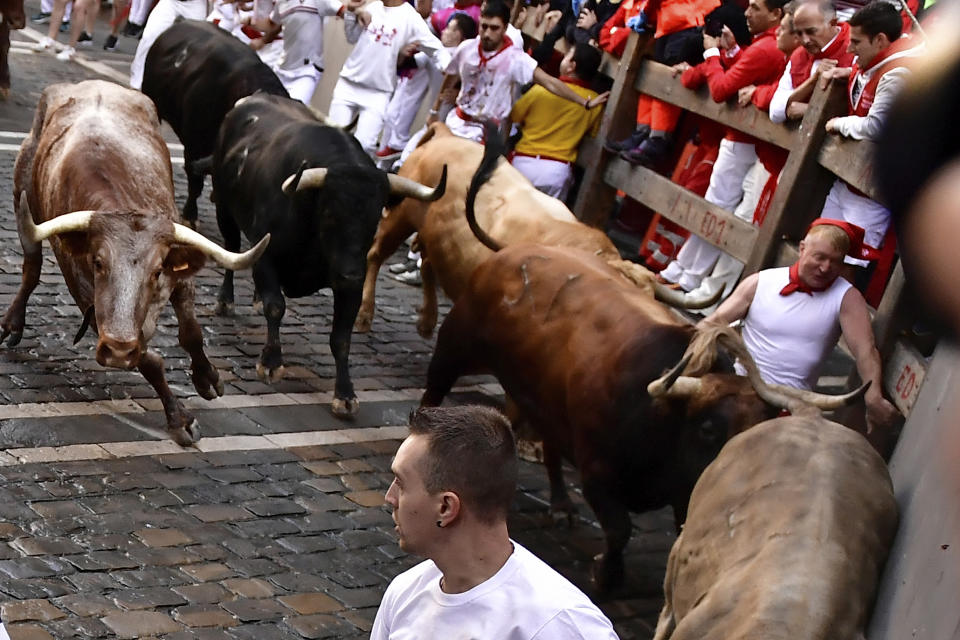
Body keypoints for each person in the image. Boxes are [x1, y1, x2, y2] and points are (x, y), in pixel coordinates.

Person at [371, 405, 620, 640]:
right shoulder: (402, 594)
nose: (389, 497)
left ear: (446, 507)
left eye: (401, 483)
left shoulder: (561, 625)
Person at [701, 219, 900, 433]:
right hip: (738, 388)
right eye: (820, 257)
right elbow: (711, 324)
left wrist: (873, 396)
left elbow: (865, 351)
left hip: (791, 405)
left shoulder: (847, 297)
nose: (825, 268)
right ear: (802, 248)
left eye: (835, 262)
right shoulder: (761, 282)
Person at [657, 0, 788, 294]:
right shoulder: (763, 45)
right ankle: (686, 270)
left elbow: (719, 90)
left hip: (751, 142)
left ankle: (693, 278)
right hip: (750, 140)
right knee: (719, 206)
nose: (747, 13)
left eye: (755, 7)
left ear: (776, 14)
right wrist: (728, 53)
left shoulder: (767, 47)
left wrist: (714, 54)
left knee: (723, 209)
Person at [817, 0, 924, 270]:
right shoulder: (873, 61)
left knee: (844, 270)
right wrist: (847, 72)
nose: (849, 49)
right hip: (846, 179)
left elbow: (877, 127)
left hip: (870, 194)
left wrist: (840, 123)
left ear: (879, 40)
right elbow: (861, 77)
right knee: (817, 251)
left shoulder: (898, 72)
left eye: (856, 42)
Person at [429, 0, 608, 142]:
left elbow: (549, 82)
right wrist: (435, 111)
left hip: (484, 135)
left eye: (494, 28)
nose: (487, 34)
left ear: (505, 28)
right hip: (456, 122)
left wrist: (583, 102)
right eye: (484, 26)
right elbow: (452, 74)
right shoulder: (467, 48)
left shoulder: (515, 59)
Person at [329, 0, 442, 154]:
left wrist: (451, 70)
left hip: (378, 93)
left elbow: (436, 49)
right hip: (348, 85)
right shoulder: (372, 8)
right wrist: (351, 12)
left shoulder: (411, 18)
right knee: (334, 140)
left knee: (365, 146)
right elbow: (351, 37)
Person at [377, 12, 477, 161]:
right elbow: (406, 64)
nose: (444, 31)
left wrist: (458, 93)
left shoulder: (470, 60)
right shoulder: (437, 53)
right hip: (434, 121)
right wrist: (403, 53)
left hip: (458, 129)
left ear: (460, 35)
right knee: (406, 156)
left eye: (449, 28)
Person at [509, 43, 602, 200]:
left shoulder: (540, 90)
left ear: (571, 66)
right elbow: (592, 134)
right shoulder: (595, 103)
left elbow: (514, 116)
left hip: (523, 163)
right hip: (557, 172)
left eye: (566, 56)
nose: (562, 59)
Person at [766, 0, 853, 124]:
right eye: (799, 33)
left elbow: (864, 110)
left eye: (811, 31)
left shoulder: (855, 47)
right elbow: (775, 112)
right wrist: (813, 81)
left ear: (832, 23)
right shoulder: (799, 55)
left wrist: (810, 110)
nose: (805, 40)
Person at [248, 0, 348, 103]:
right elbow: (272, 24)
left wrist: (357, 12)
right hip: (282, 69)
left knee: (293, 110)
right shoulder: (282, 2)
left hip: (307, 71)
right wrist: (251, 22)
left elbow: (344, 12)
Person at [129, 0, 209, 89]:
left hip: (196, 4)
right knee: (150, 37)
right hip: (171, 2)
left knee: (196, 49)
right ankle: (137, 85)